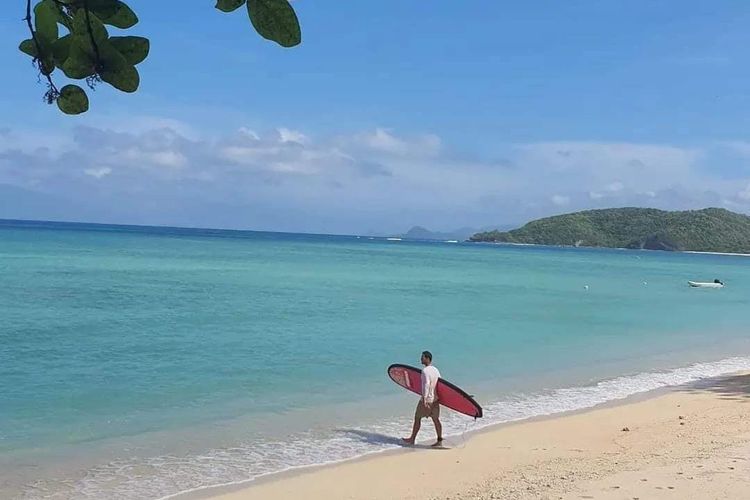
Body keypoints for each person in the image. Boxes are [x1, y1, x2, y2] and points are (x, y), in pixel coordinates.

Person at [402, 350, 443, 447]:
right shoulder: (435, 370)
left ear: (427, 359)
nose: (421, 359)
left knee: (417, 418)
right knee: (436, 420)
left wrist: (424, 399)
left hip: (427, 399)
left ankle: (412, 439)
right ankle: (439, 440)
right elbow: (440, 384)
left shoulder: (425, 371)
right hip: (436, 399)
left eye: (423, 357)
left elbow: (426, 385)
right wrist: (440, 399)